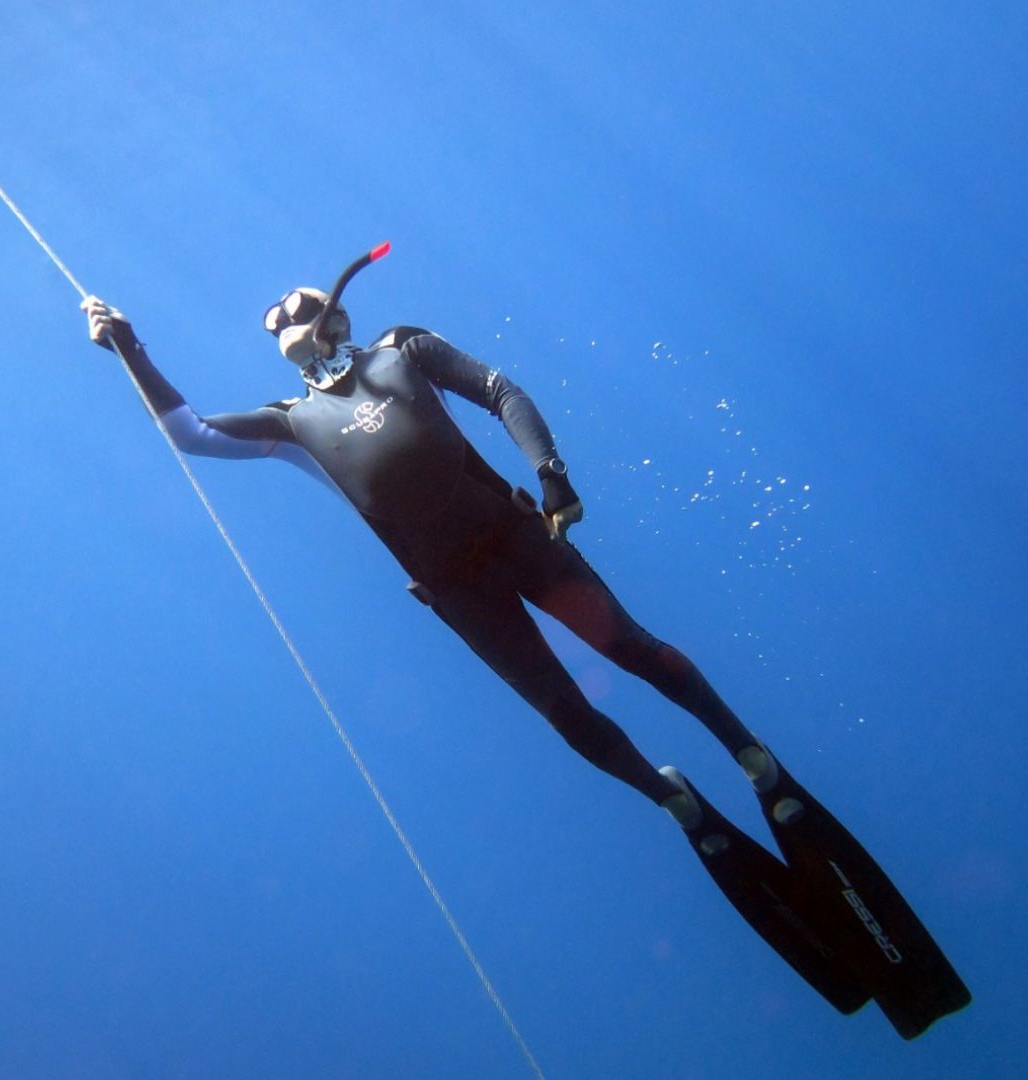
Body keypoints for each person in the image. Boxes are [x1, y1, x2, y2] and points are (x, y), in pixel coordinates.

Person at [81, 271, 968, 1039]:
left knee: (628, 648)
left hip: (515, 537)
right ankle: (675, 800)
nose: (298, 328)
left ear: (338, 315)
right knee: (565, 715)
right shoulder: (292, 421)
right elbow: (191, 434)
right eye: (285, 325)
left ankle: (752, 757)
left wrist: (551, 472)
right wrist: (129, 348)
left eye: (304, 313)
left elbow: (502, 391)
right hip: (459, 591)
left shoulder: (403, 348)